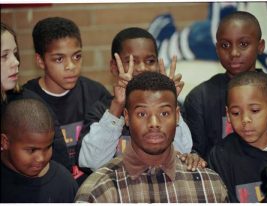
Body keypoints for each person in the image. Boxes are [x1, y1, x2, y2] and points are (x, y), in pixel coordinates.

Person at [75, 71, 228, 203]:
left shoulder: (209, 185)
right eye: (142, 114)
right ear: (127, 118)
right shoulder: (98, 192)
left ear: (176, 116)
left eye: (164, 113)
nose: (154, 123)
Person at [77, 27, 206, 172]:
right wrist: (117, 108)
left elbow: (183, 153)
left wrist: (169, 101)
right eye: (132, 61)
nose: (142, 68)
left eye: (150, 61)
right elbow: (90, 163)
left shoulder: (175, 107)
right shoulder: (101, 110)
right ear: (114, 67)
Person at [183, 11, 267, 160]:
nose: (234, 52)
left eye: (243, 44)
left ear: (260, 46)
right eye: (225, 45)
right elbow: (195, 155)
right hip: (221, 180)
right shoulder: (200, 97)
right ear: (217, 49)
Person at [22, 17, 112, 184]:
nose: (70, 66)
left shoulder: (96, 93)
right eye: (59, 59)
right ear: (40, 60)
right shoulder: (24, 101)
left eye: (77, 57)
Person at [207, 71, 267, 203]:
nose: (245, 119)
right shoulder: (220, 156)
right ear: (227, 114)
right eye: (236, 113)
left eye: (255, 110)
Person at [1, 22, 71, 171]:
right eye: (4, 56)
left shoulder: (30, 103)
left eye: (15, 53)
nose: (16, 62)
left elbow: (61, 165)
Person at [1, 99, 78, 203]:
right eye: (31, 150)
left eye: (47, 147)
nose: (41, 158)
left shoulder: (64, 182)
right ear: (5, 142)